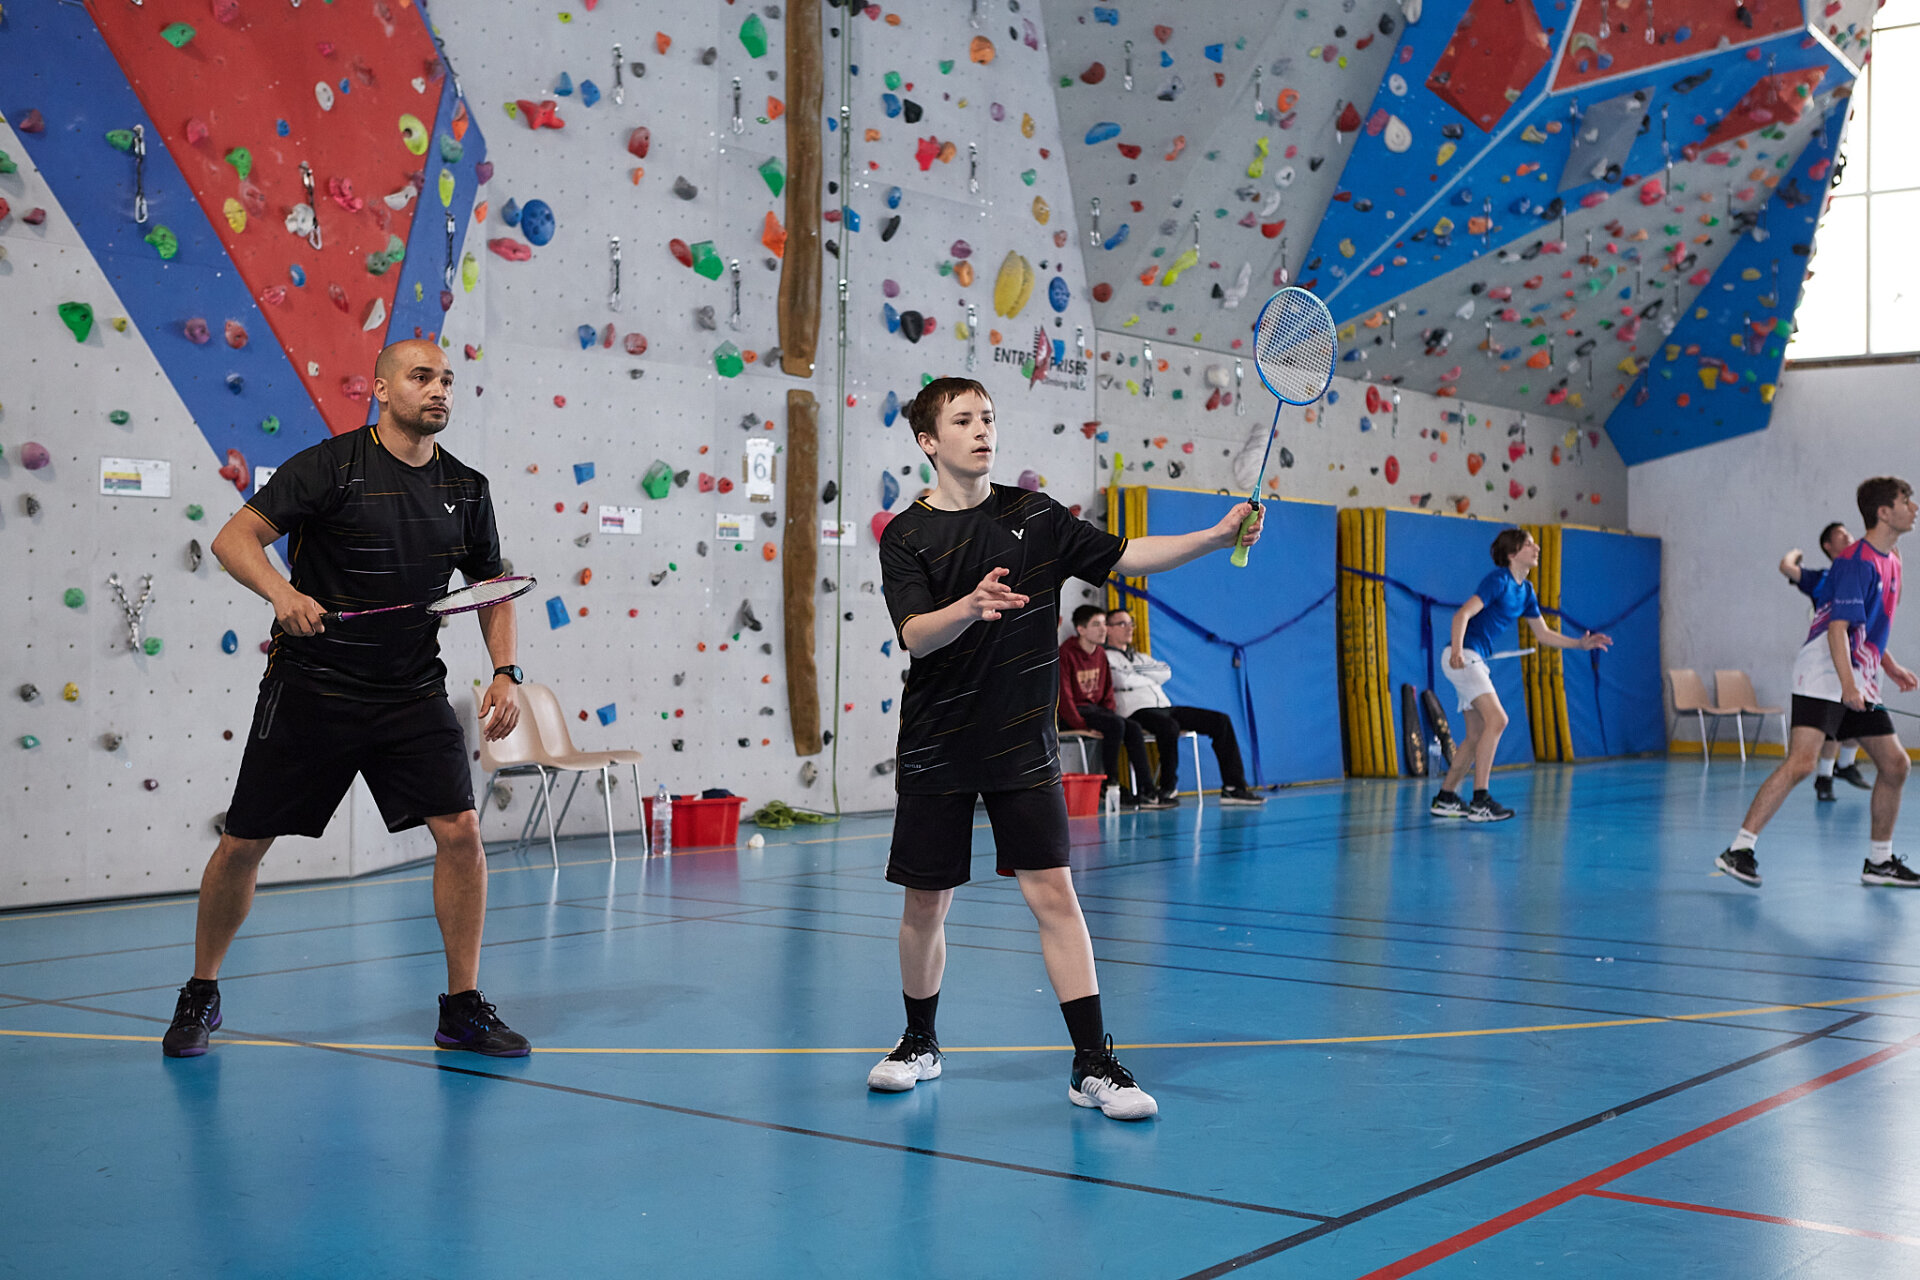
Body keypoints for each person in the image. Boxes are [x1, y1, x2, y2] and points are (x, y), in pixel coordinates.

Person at [872, 377, 1263, 1120]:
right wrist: (970, 606)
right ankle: (919, 1041)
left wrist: (1215, 538)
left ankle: (1092, 1063)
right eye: (964, 420)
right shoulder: (907, 534)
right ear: (928, 441)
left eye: (988, 417)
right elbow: (915, 635)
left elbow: (1129, 554)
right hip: (937, 741)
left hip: (1022, 740)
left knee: (1054, 893)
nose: (982, 431)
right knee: (926, 901)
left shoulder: (1036, 517)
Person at [162, 339, 532, 1059]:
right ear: (382, 389)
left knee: (461, 832)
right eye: (422, 377)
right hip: (311, 687)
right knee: (243, 843)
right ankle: (201, 990)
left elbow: (493, 588)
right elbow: (234, 540)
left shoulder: (467, 488)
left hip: (411, 691)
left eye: (447, 380)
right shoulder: (329, 467)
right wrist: (282, 594)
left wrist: (506, 670)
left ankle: (461, 1007)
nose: (439, 390)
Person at [1717, 478, 1920, 888]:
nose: (1914, 508)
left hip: (1857, 673)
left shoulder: (1893, 560)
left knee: (1895, 764)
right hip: (1823, 673)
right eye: (1906, 501)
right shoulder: (1855, 561)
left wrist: (1889, 665)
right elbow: (1837, 629)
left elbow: (1868, 627)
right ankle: (1739, 849)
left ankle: (1879, 862)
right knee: (1802, 763)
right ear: (1884, 512)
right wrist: (1847, 686)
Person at [1429, 529, 1612, 822]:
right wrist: (1457, 651)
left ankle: (1446, 797)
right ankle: (1480, 800)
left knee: (1476, 735)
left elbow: (1543, 634)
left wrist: (1579, 644)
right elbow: (1461, 615)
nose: (1536, 548)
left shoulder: (1526, 591)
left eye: (1535, 544)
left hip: (1474, 659)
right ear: (1512, 554)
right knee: (1498, 720)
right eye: (1528, 544)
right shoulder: (1498, 580)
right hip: (1464, 656)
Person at [1103, 608, 1265, 805]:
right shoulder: (1105, 657)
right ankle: (1168, 787)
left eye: (1131, 623)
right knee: (1168, 726)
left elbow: (1165, 672)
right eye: (1122, 624)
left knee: (1220, 721)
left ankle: (1234, 788)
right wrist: (1149, 676)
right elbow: (1121, 680)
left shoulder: (1140, 658)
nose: (1129, 628)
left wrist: (1135, 671)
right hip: (1135, 711)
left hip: (1165, 707)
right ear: (1108, 629)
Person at [1779, 522, 1872, 801]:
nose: (1848, 536)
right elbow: (1786, 566)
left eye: (1849, 533)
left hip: (1859, 653)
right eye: (1840, 535)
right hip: (1829, 655)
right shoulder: (1821, 578)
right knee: (1834, 719)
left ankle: (1838, 768)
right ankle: (1828, 774)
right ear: (1828, 546)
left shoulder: (1861, 572)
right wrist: (1796, 552)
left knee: (1861, 715)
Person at [1058, 605, 1167, 809]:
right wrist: (1081, 725)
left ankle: (1147, 789)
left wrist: (1108, 713)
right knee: (1116, 725)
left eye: (1104, 624)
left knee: (1132, 727)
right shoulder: (1066, 653)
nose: (1103, 630)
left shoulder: (1100, 653)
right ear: (1081, 629)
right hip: (1072, 714)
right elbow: (1064, 698)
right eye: (1096, 625)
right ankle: (1111, 783)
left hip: (1096, 712)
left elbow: (1108, 691)